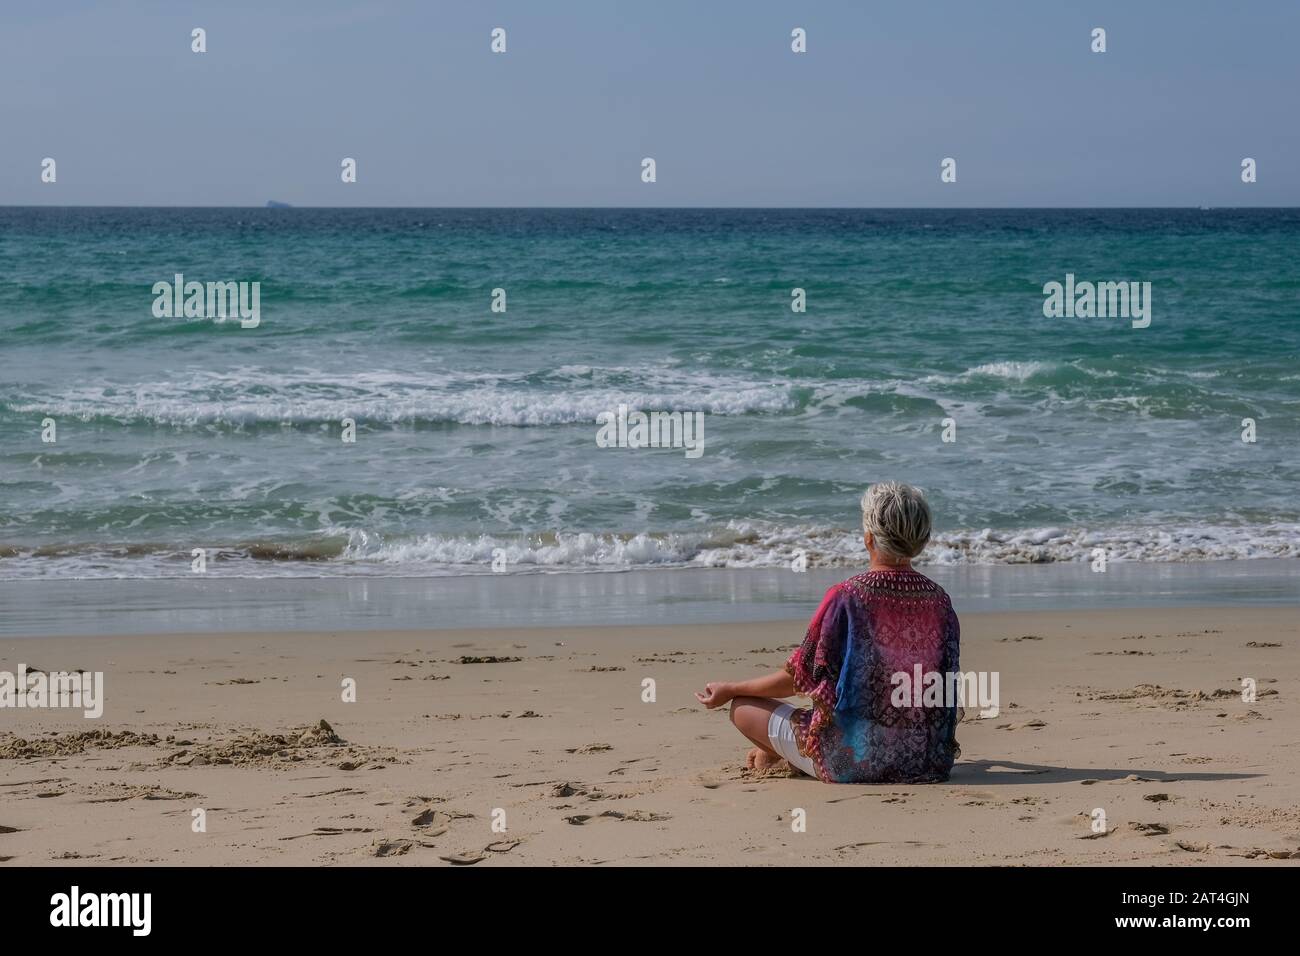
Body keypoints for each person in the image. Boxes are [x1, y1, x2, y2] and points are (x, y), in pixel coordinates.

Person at [695, 481, 961, 783]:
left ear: (868, 538)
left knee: (742, 708)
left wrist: (732, 689)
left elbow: (797, 678)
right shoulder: (939, 600)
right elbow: (942, 687)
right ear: (923, 539)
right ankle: (779, 753)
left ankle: (782, 753)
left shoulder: (847, 597)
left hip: (852, 762)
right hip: (926, 760)